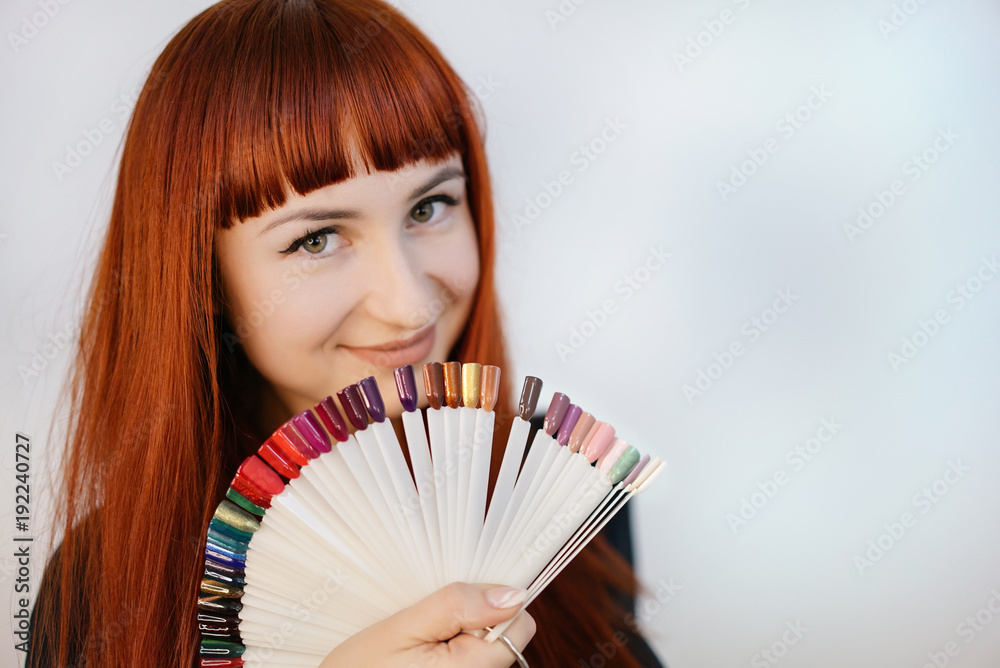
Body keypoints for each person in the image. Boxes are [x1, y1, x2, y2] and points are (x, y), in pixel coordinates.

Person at [27, 1, 664, 666]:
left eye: (429, 206)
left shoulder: (554, 497)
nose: (410, 304)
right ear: (202, 280)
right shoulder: (100, 597)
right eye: (318, 238)